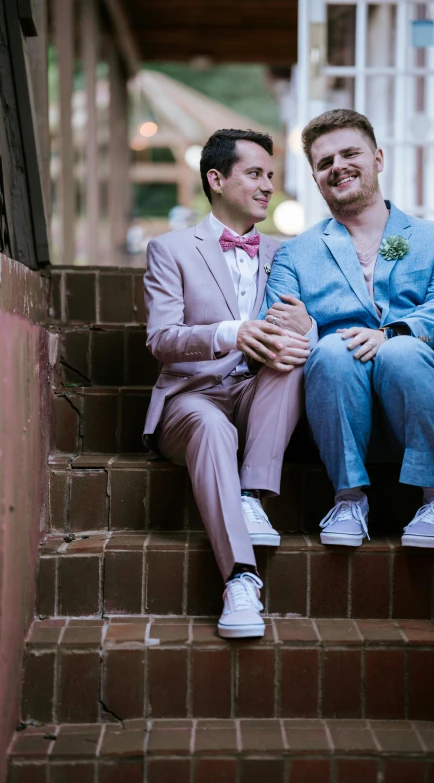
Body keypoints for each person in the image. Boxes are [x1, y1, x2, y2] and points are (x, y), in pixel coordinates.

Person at [263, 109, 434, 549]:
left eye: (350, 153)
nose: (338, 166)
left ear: (378, 158)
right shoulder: (295, 255)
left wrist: (390, 335)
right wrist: (308, 329)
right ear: (316, 178)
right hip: (340, 407)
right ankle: (348, 498)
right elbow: (280, 324)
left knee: (400, 351)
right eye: (325, 162)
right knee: (328, 349)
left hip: (427, 400)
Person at [143, 129, 315, 639]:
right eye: (255, 174)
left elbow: (312, 324)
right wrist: (229, 333)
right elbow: (161, 338)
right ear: (216, 180)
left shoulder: (288, 252)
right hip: (191, 399)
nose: (268, 186)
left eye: (270, 175)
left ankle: (251, 494)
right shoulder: (169, 249)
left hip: (257, 395)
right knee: (211, 428)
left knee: (293, 356)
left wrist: (309, 327)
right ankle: (241, 579)